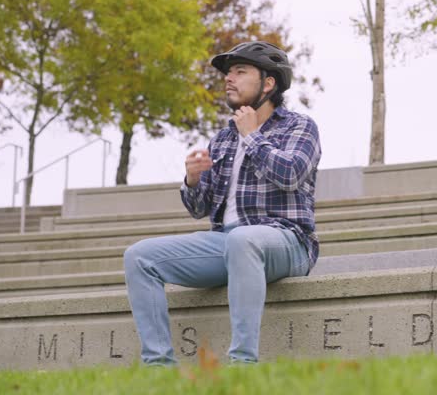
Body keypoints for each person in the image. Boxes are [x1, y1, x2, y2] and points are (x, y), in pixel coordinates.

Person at [123, 41, 322, 366]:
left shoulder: (299, 127)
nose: (229, 79)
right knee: (139, 257)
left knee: (244, 240)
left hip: (288, 240)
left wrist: (252, 136)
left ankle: (242, 365)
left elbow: (291, 174)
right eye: (228, 73)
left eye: (240, 71)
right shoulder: (223, 138)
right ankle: (157, 368)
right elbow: (199, 208)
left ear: (268, 83)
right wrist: (193, 180)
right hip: (227, 241)